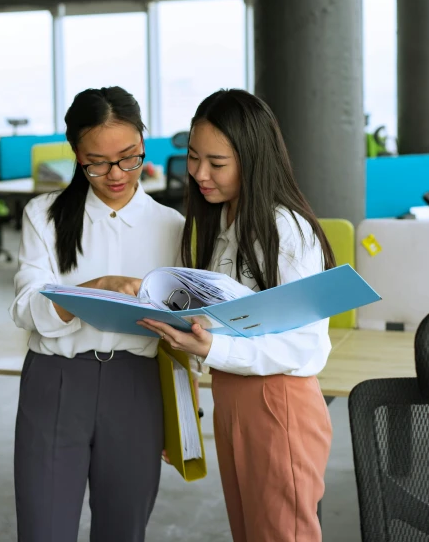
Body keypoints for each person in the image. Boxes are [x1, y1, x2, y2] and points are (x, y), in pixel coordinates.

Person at [139, 88, 335, 542]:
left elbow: (303, 343)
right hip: (231, 398)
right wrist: (182, 418)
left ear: (252, 160)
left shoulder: (286, 229)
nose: (199, 174)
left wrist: (213, 345)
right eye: (192, 157)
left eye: (217, 163)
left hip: (277, 400)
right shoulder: (220, 222)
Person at [10, 86, 184, 542]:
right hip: (56, 382)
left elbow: (184, 331)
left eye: (129, 157)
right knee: (43, 530)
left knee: (123, 532)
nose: (115, 174)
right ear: (76, 154)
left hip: (137, 388)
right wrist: (96, 288)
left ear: (144, 142)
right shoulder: (43, 216)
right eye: (97, 162)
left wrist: (180, 414)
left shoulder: (174, 227)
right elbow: (26, 309)